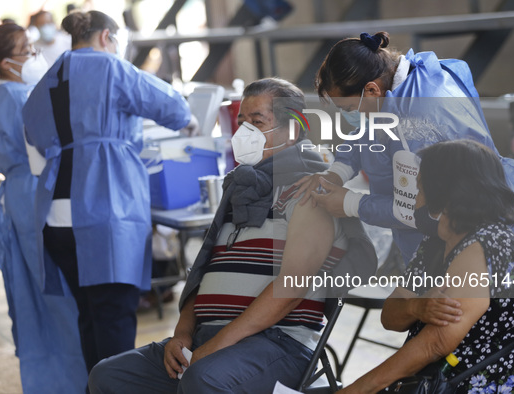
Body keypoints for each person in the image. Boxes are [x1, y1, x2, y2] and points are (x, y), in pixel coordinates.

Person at [88, 77, 376, 393]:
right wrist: (183, 334)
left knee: (205, 378)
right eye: (241, 122)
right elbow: (205, 274)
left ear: (294, 128)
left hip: (278, 343)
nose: (244, 133)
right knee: (109, 376)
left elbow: (291, 288)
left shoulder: (310, 194)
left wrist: (214, 347)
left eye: (257, 122)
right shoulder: (240, 192)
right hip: (209, 336)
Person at [294, 31, 514, 298]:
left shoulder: (421, 120)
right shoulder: (406, 81)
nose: (351, 116)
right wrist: (337, 173)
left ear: (371, 89)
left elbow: (419, 210)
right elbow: (370, 129)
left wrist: (349, 204)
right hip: (462, 233)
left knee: (481, 325)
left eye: (350, 109)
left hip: (475, 242)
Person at [22, 10, 193, 374]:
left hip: (55, 215)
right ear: (106, 38)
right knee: (115, 318)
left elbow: (35, 133)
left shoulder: (48, 77)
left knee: (90, 315)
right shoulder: (112, 68)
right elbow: (176, 108)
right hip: (103, 209)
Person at [339, 140, 514, 393]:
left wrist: (352, 391)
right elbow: (390, 317)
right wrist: (417, 306)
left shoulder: (489, 245)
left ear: (444, 191)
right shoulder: (437, 241)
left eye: (421, 184)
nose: (415, 192)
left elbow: (434, 345)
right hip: (434, 382)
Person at [0, 23, 86, 393]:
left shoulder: (1, 94)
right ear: (6, 62)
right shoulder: (12, 96)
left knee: (39, 300)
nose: (35, 55)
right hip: (32, 201)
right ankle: (68, 382)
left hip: (22, 198)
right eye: (27, 50)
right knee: (53, 299)